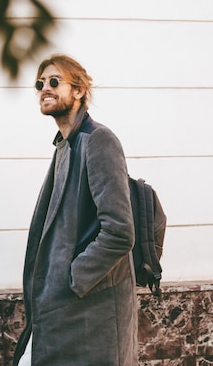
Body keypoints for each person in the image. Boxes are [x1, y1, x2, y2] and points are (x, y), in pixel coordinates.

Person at [13, 54, 138, 366]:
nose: (45, 88)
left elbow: (120, 231)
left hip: (88, 316)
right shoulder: (66, 145)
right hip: (62, 314)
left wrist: (73, 278)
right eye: (39, 84)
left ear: (79, 90)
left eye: (55, 81)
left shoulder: (98, 140)